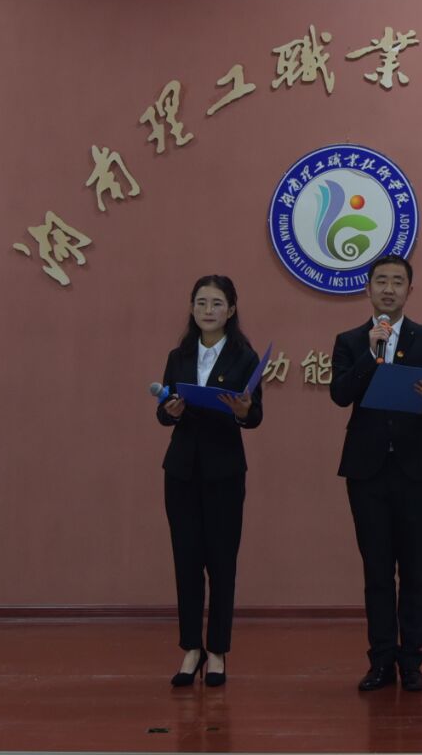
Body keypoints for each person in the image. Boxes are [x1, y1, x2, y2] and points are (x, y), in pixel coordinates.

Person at [328, 254, 422, 693]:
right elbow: (340, 394)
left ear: (409, 290)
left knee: (415, 568)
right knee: (377, 570)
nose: (388, 288)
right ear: (368, 288)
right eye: (381, 281)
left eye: (397, 282)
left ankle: (412, 661)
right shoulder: (350, 340)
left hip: (415, 469)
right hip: (366, 470)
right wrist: (370, 354)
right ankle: (381, 660)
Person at [155, 274, 262, 688]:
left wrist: (243, 410)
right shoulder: (178, 355)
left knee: (221, 562)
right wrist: (170, 411)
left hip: (224, 471)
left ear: (231, 310)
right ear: (192, 308)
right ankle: (190, 648)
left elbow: (254, 415)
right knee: (186, 561)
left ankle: (217, 650)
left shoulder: (244, 357)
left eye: (217, 303)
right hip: (181, 471)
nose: (208, 310)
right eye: (201, 303)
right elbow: (164, 408)